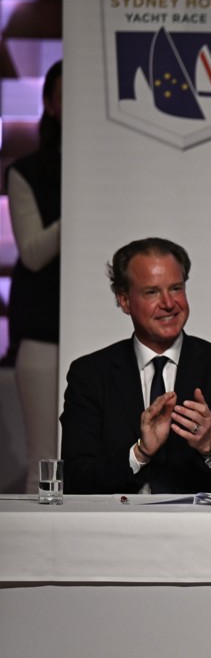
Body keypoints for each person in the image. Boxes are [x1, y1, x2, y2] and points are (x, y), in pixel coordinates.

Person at [61, 238, 211, 494]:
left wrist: (209, 444)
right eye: (152, 292)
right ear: (124, 300)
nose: (168, 303)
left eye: (176, 288)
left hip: (199, 519)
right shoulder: (90, 374)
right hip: (118, 518)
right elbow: (75, 478)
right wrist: (140, 453)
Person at [6, 60, 62, 494]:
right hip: (43, 333)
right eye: (64, 96)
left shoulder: (115, 170)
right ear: (49, 103)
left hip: (104, 332)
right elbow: (32, 252)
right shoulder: (26, 171)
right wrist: (79, 202)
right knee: (45, 462)